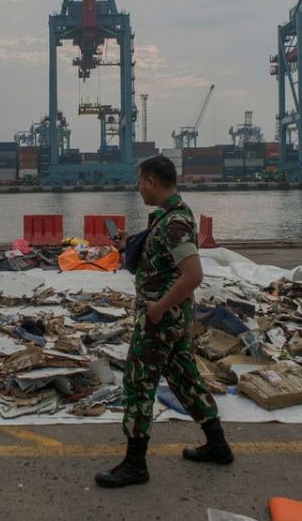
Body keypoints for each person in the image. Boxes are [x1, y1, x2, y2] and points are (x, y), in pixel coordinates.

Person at [95, 155, 233, 489]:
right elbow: (166, 262)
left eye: (140, 181)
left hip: (161, 320)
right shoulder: (168, 218)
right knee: (184, 378)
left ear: (151, 182)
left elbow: (193, 275)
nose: (138, 187)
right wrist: (128, 244)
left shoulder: (175, 223)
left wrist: (157, 309)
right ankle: (217, 444)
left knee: (137, 384)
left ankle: (134, 464)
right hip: (172, 319)